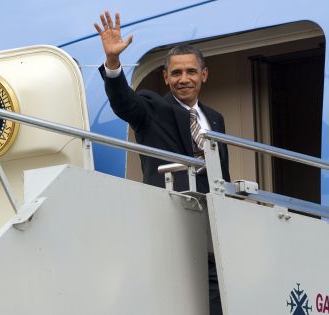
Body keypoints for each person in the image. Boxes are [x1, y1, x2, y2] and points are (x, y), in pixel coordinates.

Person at [94, 11, 230, 315]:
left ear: (203, 75)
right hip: (170, 221)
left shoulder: (216, 118)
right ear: (166, 77)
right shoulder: (151, 108)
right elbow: (123, 102)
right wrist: (113, 65)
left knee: (218, 297)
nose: (184, 80)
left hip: (213, 225)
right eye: (177, 73)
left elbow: (222, 173)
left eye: (191, 72)